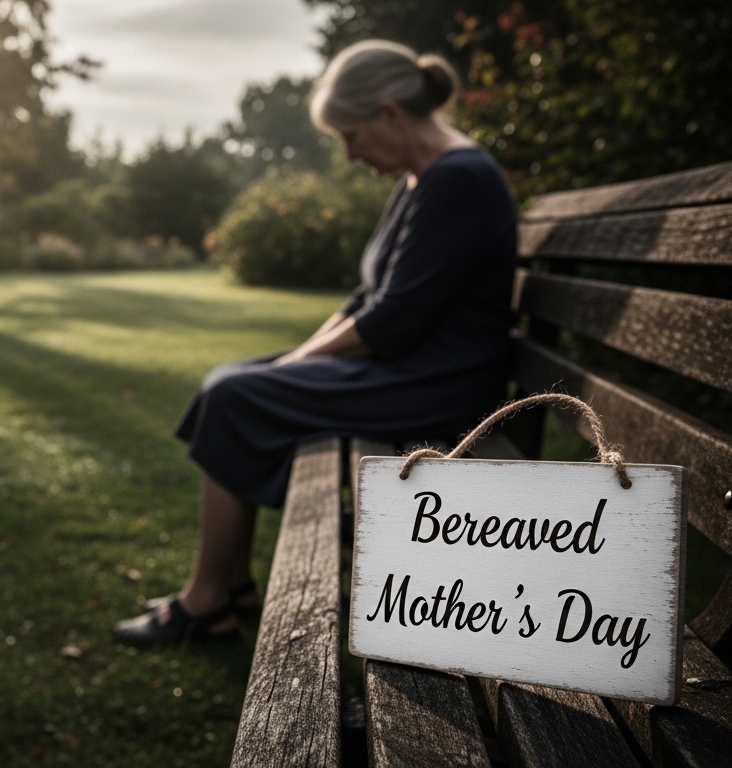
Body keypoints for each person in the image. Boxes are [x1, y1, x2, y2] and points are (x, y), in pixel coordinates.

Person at [114, 40, 519, 644]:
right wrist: (296, 358)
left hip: (436, 385)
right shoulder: (423, 178)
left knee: (233, 397)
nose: (349, 154)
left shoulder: (458, 179)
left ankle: (206, 600)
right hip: (409, 368)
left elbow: (391, 321)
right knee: (232, 381)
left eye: (350, 136)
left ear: (390, 113)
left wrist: (295, 365)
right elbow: (366, 299)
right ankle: (232, 586)